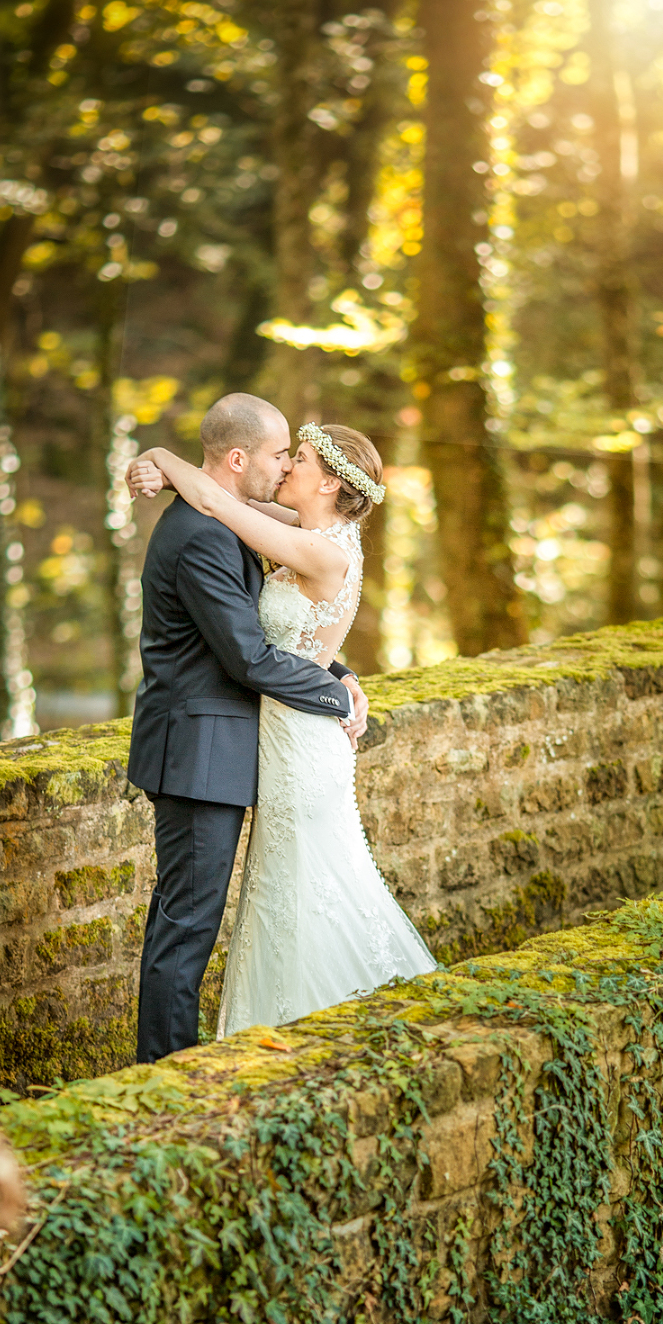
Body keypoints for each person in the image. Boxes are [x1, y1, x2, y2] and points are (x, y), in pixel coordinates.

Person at [126, 414, 436, 1037]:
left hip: (285, 747)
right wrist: (335, 683)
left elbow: (269, 641)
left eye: (298, 458)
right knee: (213, 917)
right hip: (212, 750)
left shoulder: (301, 538)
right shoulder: (249, 531)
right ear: (241, 458)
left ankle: (318, 1028)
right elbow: (258, 649)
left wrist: (159, 453)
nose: (289, 465)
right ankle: (172, 1070)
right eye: (281, 453)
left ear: (327, 484)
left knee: (301, 892)